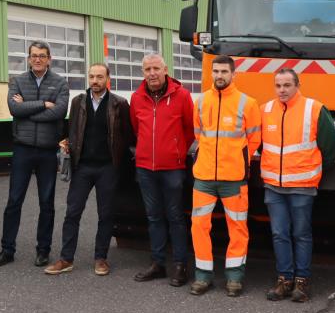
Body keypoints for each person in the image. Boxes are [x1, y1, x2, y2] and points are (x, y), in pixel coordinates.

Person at [45, 63, 134, 276]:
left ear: (107, 78)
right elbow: (73, 128)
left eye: (99, 77)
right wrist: (69, 145)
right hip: (83, 167)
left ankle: (100, 258)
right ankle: (66, 258)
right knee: (72, 212)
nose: (95, 81)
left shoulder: (119, 104)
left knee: (106, 214)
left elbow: (127, 136)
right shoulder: (78, 102)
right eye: (92, 76)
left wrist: (120, 166)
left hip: (107, 167)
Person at [260, 68, 335, 302]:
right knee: (279, 234)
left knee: (301, 234)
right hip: (273, 185)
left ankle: (302, 282)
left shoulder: (314, 109)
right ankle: (284, 280)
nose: (282, 90)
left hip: (302, 186)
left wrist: (312, 173)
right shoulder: (265, 110)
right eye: (278, 85)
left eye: (287, 85)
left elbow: (329, 148)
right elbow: (258, 143)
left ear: (297, 85)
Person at [0, 41, 70, 267]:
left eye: (42, 56)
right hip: (23, 149)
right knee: (14, 200)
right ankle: (7, 250)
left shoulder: (59, 83)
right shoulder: (17, 81)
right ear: (28, 58)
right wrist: (43, 104)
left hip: (47, 151)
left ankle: (43, 250)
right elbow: (14, 110)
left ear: (49, 59)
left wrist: (28, 109)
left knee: (47, 203)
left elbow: (59, 112)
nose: (38, 59)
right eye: (34, 55)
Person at [190, 55, 261, 297]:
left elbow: (254, 139)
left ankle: (234, 277)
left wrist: (238, 160)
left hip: (234, 178)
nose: (219, 76)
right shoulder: (200, 102)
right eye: (216, 71)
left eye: (224, 72)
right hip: (204, 177)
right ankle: (202, 276)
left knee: (238, 227)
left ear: (234, 74)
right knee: (199, 226)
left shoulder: (247, 103)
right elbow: (199, 134)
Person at [130, 53, 195, 287]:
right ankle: (158, 263)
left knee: (176, 217)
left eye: (156, 68)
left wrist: (176, 151)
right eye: (147, 69)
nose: (152, 73)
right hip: (146, 168)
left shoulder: (182, 96)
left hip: (173, 169)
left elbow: (190, 129)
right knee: (154, 216)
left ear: (165, 69)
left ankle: (180, 265)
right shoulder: (137, 97)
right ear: (143, 72)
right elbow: (137, 129)